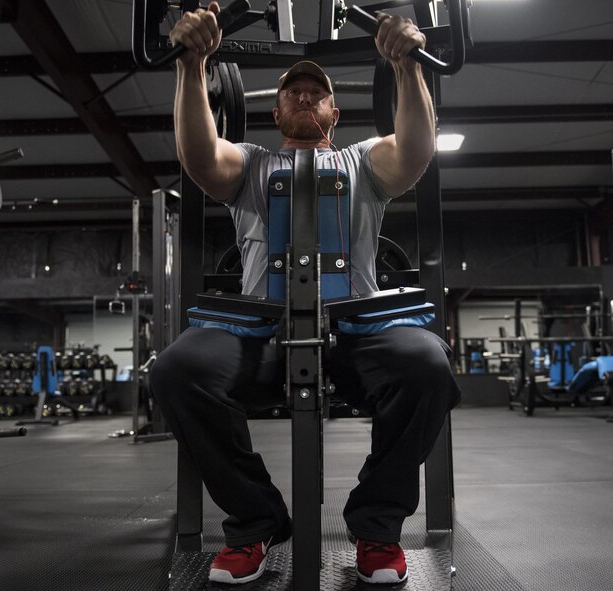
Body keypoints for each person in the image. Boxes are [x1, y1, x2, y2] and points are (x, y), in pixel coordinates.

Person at [151, 2, 461, 585]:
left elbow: (415, 151)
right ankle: (255, 521)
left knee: (427, 366)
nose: (303, 96)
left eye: (316, 93)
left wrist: (407, 67)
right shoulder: (250, 164)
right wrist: (192, 66)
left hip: (356, 335)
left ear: (333, 113)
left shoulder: (362, 161)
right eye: (293, 90)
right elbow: (199, 155)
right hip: (258, 336)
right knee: (176, 370)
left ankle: (375, 528)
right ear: (276, 109)